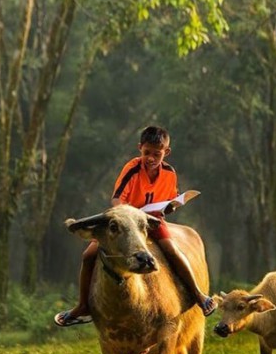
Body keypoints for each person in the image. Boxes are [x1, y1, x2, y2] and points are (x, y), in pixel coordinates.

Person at [54, 125, 216, 326]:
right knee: (88, 255)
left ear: (166, 152)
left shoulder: (169, 173)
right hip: (127, 223)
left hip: (152, 221)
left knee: (172, 250)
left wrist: (170, 206)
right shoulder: (132, 169)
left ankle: (198, 295)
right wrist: (129, 214)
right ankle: (83, 306)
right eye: (147, 152)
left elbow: (170, 199)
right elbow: (116, 200)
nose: (151, 158)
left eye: (157, 154)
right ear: (140, 148)